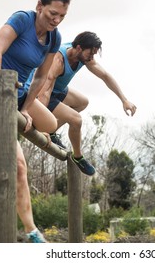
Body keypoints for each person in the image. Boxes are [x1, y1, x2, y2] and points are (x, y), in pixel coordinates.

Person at [0, 0, 70, 243]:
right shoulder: (22, 20)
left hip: (20, 98)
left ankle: (25, 121)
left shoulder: (54, 37)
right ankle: (31, 231)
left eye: (62, 16)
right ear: (39, 7)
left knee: (50, 124)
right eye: (52, 14)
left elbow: (41, 75)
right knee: (18, 166)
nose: (56, 20)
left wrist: (26, 109)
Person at [26, 31, 137, 176]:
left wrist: (124, 99)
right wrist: (42, 124)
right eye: (90, 54)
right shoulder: (58, 61)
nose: (92, 58)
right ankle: (77, 157)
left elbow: (105, 76)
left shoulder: (84, 58)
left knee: (82, 102)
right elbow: (44, 91)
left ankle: (53, 132)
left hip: (58, 90)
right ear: (79, 48)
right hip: (41, 92)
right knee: (76, 120)